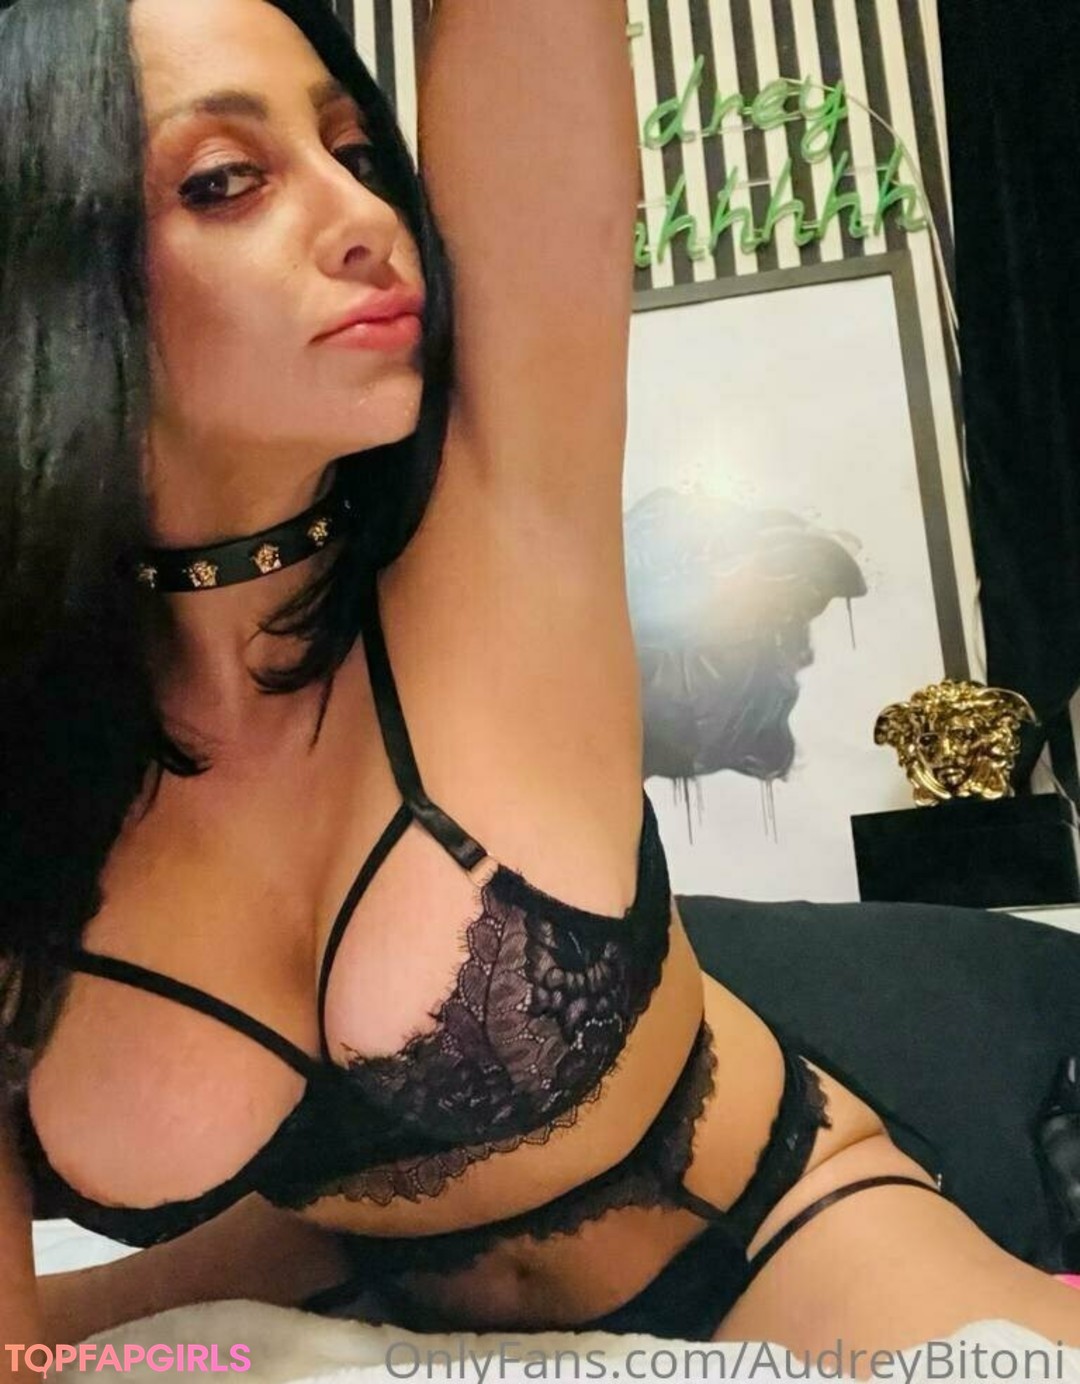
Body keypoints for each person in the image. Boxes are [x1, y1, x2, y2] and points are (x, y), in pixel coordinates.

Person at [0, 0, 1076, 1375]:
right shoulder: (32, 780)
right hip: (358, 1289)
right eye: (225, 181)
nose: (364, 217)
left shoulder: (502, 522)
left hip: (772, 1237)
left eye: (356, 151)